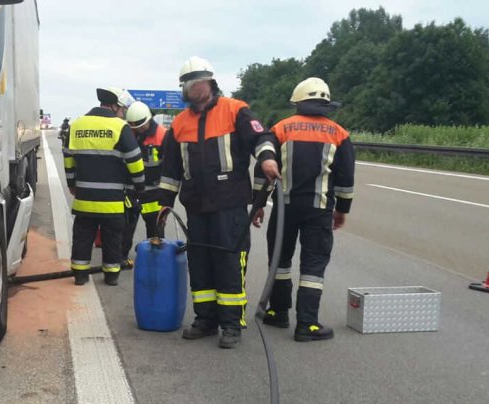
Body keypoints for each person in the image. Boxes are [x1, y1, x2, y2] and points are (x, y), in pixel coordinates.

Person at [159, 57, 280, 349]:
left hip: (230, 206)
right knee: (200, 263)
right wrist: (163, 205)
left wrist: (266, 157)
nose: (192, 87)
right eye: (187, 84)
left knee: (228, 262)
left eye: (197, 81)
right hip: (196, 206)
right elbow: (170, 171)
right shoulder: (179, 123)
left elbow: (261, 136)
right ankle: (205, 319)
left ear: (210, 82)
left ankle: (231, 324)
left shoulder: (235, 110)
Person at [252, 77, 355, 342]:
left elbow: (262, 170)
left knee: (280, 260)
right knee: (313, 266)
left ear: (297, 101)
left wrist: (259, 204)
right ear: (326, 103)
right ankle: (307, 324)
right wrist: (342, 210)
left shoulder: (281, 129)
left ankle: (278, 312)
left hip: (285, 209)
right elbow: (345, 180)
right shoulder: (339, 134)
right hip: (319, 210)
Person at [63, 87, 144, 286]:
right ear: (115, 106)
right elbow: (135, 159)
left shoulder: (77, 124)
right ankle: (111, 275)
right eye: (121, 108)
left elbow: (68, 158)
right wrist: (139, 185)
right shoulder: (120, 127)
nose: (122, 112)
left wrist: (72, 184)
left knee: (82, 237)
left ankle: (81, 275)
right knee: (112, 239)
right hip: (112, 202)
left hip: (84, 199)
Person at [120, 101, 167, 267]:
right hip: (131, 192)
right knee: (125, 228)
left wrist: (168, 196)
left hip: (154, 194)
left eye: (140, 126)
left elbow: (170, 166)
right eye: (133, 127)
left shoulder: (162, 135)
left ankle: (155, 260)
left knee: (155, 230)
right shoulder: (128, 133)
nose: (137, 130)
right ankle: (121, 257)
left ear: (148, 119)